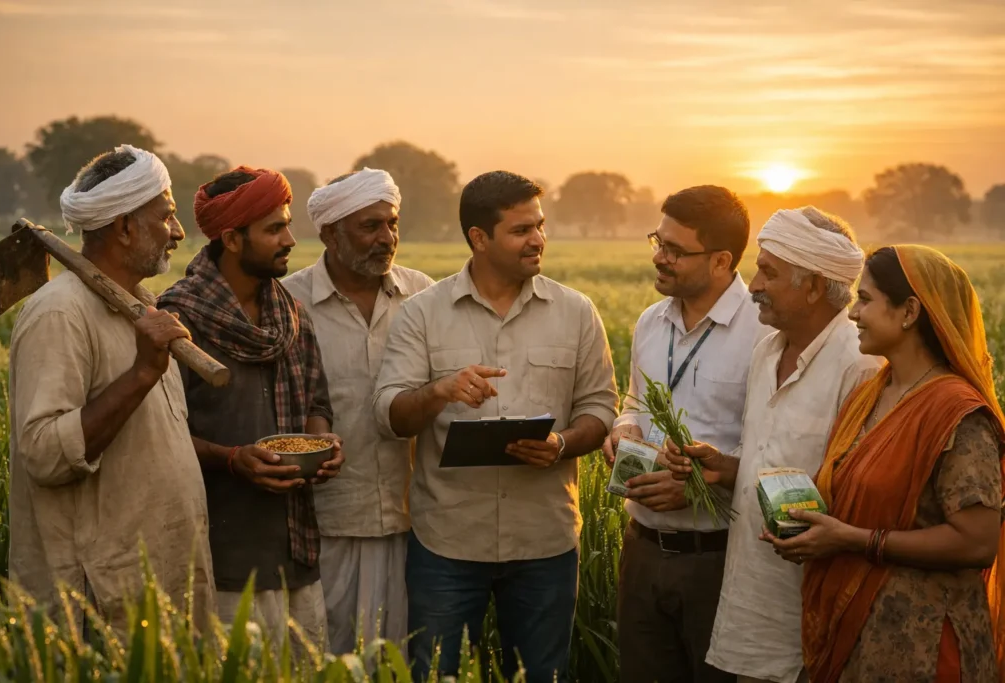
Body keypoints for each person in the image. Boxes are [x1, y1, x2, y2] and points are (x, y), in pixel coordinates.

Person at [372, 171, 618, 682]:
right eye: (521, 230)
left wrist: (561, 444)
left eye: (541, 227)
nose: (538, 240)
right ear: (478, 238)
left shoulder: (576, 313)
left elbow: (601, 411)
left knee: (540, 677)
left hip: (545, 543)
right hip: (447, 543)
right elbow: (391, 414)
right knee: (436, 675)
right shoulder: (422, 314)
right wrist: (440, 390)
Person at [763, 245, 1005, 682]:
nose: (854, 314)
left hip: (925, 647)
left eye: (866, 299)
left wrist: (853, 539)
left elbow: (977, 542)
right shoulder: (872, 394)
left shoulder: (957, 413)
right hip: (858, 640)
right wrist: (806, 530)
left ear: (909, 311)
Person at [665, 207, 881, 683]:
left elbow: (866, 493)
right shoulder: (766, 352)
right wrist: (725, 467)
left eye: (770, 272)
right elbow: (773, 462)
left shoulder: (860, 367)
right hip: (752, 594)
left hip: (817, 601)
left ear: (814, 285)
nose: (754, 284)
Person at [8, 145, 215, 633]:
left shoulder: (143, 306)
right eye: (166, 216)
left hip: (157, 585)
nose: (179, 231)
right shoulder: (60, 313)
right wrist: (143, 373)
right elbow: (44, 454)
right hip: (100, 599)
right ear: (123, 228)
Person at [157, 166, 343, 649]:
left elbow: (317, 401)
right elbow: (155, 434)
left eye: (287, 224)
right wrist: (232, 459)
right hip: (221, 556)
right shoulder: (176, 320)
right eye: (274, 228)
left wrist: (322, 444)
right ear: (232, 239)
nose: (290, 239)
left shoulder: (290, 314)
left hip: (296, 551)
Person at [604, 185, 766, 683]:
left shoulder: (765, 332)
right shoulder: (652, 322)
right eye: (658, 240)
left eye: (675, 250)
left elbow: (778, 446)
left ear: (721, 261)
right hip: (642, 548)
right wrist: (622, 428)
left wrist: (698, 483)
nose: (659, 256)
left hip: (718, 559)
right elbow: (632, 402)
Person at [284, 168, 433, 654]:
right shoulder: (288, 303)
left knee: (407, 661)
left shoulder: (424, 297)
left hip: (419, 524)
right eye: (369, 227)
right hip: (325, 525)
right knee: (327, 658)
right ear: (329, 232)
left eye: (391, 224)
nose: (386, 238)